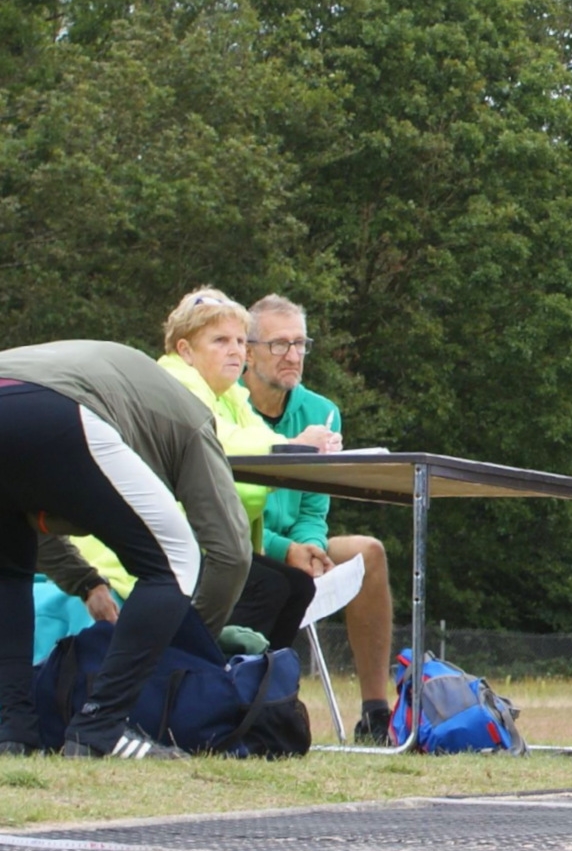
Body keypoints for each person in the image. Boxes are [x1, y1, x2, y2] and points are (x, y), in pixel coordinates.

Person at [0, 340, 253, 758]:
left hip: (28, 397)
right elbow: (230, 553)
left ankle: (12, 730)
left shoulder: (133, 397)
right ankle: (98, 729)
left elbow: (32, 510)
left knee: (7, 570)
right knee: (177, 559)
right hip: (61, 408)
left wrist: (86, 583)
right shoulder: (195, 423)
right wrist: (183, 648)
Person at [242, 294, 396, 743]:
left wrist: (308, 545)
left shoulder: (322, 410)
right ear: (248, 352)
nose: (293, 355)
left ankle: (375, 715)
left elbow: (314, 506)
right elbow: (225, 508)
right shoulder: (226, 406)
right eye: (278, 345)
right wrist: (283, 548)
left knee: (370, 553)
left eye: (300, 343)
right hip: (243, 544)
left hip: (296, 544)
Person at [157, 288, 341, 648]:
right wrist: (293, 447)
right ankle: (216, 682)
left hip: (212, 541)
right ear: (185, 350)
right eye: (221, 340)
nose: (235, 351)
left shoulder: (230, 394)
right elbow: (218, 443)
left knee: (297, 585)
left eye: (240, 341)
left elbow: (262, 444)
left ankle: (263, 690)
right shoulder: (177, 384)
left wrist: (309, 545)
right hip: (166, 544)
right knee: (269, 586)